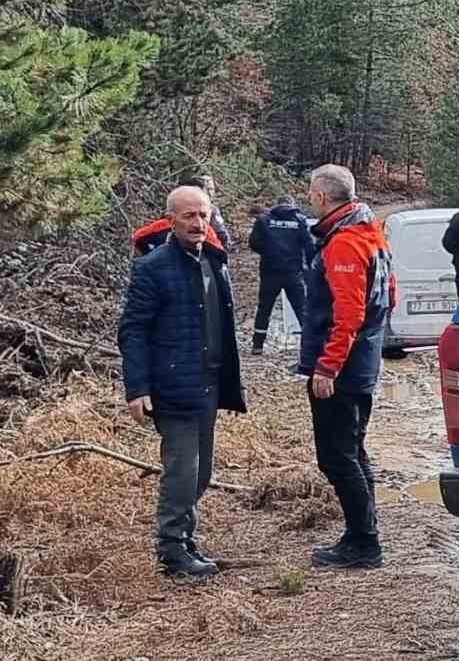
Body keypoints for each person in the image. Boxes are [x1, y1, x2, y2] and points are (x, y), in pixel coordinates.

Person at [116, 186, 247, 579]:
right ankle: (172, 550)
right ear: (170, 219)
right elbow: (133, 330)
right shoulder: (153, 268)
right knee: (182, 471)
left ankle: (184, 539)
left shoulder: (213, 260)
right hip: (172, 387)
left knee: (201, 471)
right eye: (189, 216)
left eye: (203, 215)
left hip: (208, 383)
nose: (198, 223)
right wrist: (137, 388)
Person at [299, 164, 395, 569]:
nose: (309, 199)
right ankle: (363, 532)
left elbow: (349, 313)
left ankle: (364, 541)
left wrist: (327, 366)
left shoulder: (344, 243)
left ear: (322, 197)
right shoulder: (372, 232)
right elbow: (390, 294)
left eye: (311, 193)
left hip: (343, 367)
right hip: (364, 361)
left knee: (337, 456)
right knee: (353, 449)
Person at [247, 194, 315, 354]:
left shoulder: (264, 221)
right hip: (293, 272)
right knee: (302, 308)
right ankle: (310, 346)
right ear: (292, 204)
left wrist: (268, 252)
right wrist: (311, 268)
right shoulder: (299, 220)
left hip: (270, 271)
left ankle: (257, 346)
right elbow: (309, 245)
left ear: (277, 204)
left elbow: (253, 243)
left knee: (264, 309)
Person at [185, 175, 232, 250]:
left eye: (211, 189)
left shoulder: (212, 209)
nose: (210, 193)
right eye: (208, 189)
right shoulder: (210, 209)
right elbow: (220, 232)